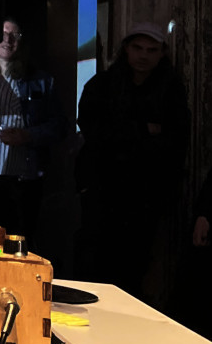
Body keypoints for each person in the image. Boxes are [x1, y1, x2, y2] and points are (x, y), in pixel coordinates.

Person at [76, 22, 189, 298]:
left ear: (162, 53)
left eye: (151, 50)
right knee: (96, 264)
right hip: (103, 189)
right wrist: (142, 129)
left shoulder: (170, 90)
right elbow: (93, 130)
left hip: (145, 194)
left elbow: (174, 142)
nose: (143, 55)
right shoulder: (103, 85)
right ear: (126, 48)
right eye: (138, 48)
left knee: (134, 269)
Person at [0, 17, 66, 241]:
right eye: (2, 34)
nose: (8, 40)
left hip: (22, 183)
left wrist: (28, 135)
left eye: (14, 35)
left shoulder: (41, 81)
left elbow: (60, 126)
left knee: (19, 246)